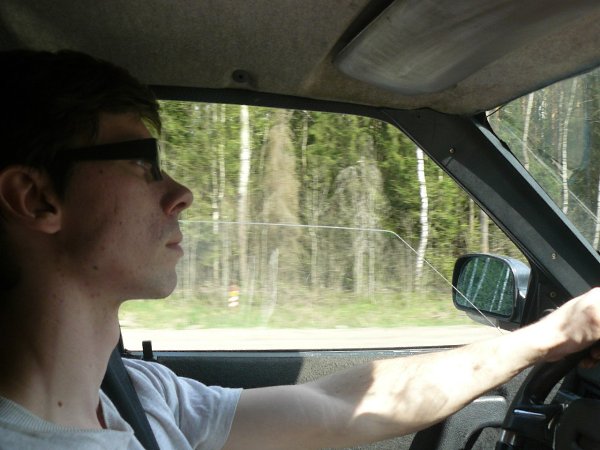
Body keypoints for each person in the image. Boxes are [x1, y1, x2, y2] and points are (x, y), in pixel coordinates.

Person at [1, 49, 600, 450]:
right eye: (143, 163)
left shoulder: (136, 395)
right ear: (35, 197)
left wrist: (553, 335)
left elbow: (335, 402)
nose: (181, 194)